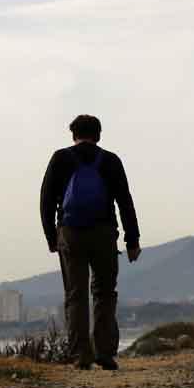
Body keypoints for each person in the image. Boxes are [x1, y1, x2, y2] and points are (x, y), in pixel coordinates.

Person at [40, 115, 141, 370]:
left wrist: (52, 237)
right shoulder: (110, 160)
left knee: (76, 295)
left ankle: (81, 356)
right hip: (104, 233)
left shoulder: (60, 158)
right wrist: (132, 240)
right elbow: (125, 201)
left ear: (73, 134)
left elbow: (46, 201)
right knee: (105, 293)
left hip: (70, 233)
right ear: (98, 135)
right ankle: (105, 352)